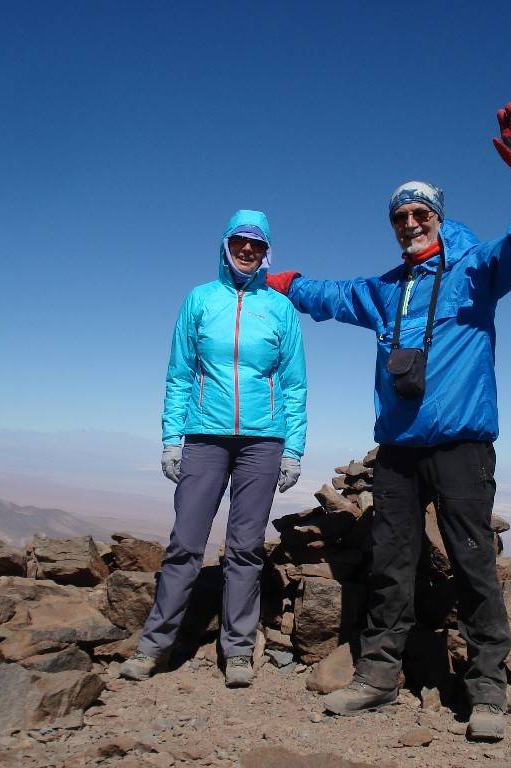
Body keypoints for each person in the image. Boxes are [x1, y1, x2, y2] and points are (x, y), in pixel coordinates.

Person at [265, 103, 511, 740]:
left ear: (439, 216)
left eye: (420, 213)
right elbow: (331, 295)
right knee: (391, 564)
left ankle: (487, 691)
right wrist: (285, 283)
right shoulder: (385, 289)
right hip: (397, 452)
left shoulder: (477, 271)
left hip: (461, 449)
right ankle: (377, 677)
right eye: (399, 216)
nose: (409, 223)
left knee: (472, 562)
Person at [121, 209, 307, 688]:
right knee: (185, 542)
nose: (248, 250)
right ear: (226, 245)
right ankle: (154, 646)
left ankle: (239, 650)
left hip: (263, 442)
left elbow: (294, 385)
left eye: (258, 245)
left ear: (268, 253)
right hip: (204, 435)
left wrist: (294, 448)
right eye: (241, 241)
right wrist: (170, 438)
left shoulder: (280, 308)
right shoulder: (200, 300)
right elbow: (179, 374)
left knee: (245, 548)